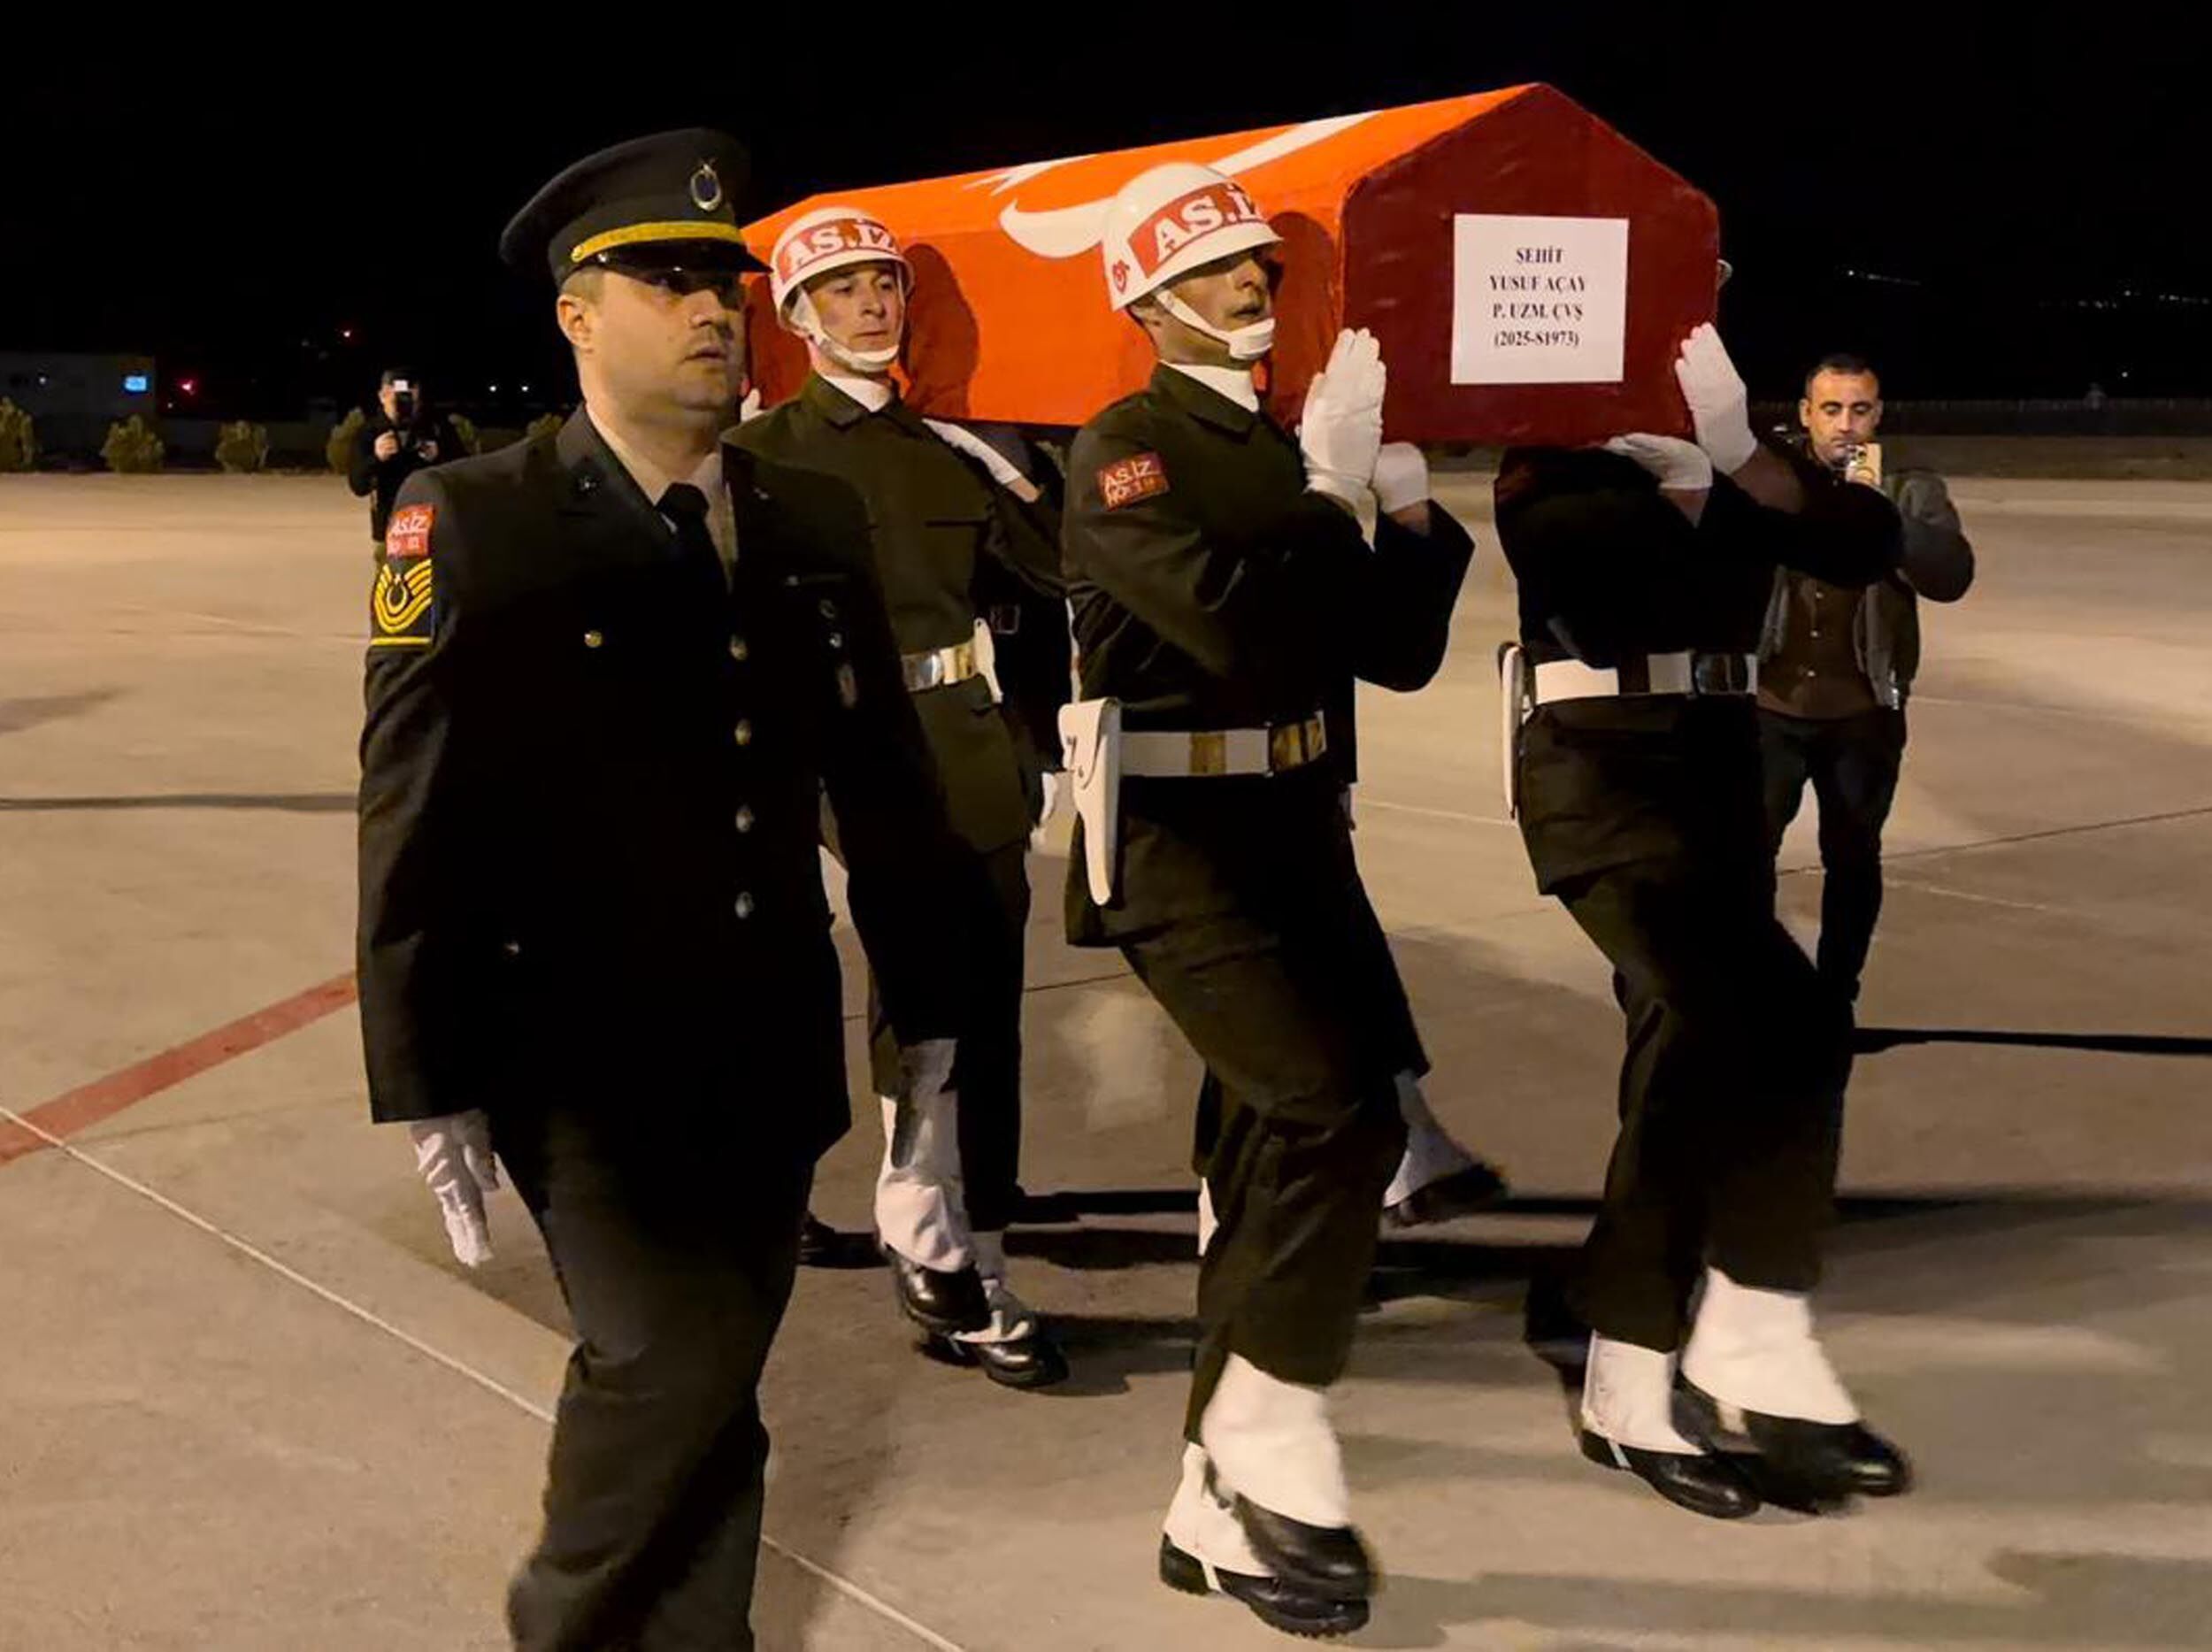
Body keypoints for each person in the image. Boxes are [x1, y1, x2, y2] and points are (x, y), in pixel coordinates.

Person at [356, 129, 977, 1650]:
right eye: (666, 282)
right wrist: (425, 1070)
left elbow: (883, 782)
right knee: (664, 1359)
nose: (713, 309)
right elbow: (412, 803)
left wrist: (933, 1007)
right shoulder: (476, 514)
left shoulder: (808, 517)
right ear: (578, 315)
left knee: (719, 1378)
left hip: (766, 1036)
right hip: (574, 1053)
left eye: (723, 282)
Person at [1060, 161, 1473, 1638]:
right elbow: (1230, 626)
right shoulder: (1130, 448)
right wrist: (1329, 493)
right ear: (1146, 300)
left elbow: (1395, 654)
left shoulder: (1293, 438)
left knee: (1267, 1159)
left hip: (1297, 826)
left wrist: (1408, 517)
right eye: (1214, 269)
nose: (1251, 283)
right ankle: (1270, 1430)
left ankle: (1209, 1490)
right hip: (1180, 838)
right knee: (1332, 1119)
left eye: (1258, 265)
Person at [1494, 324, 1914, 1520]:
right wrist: (1714, 491)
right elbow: (1609, 595)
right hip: (1601, 773)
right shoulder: (1552, 448)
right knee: (1706, 1022)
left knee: (1786, 1033)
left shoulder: (1741, 444)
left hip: (1717, 778)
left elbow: (1865, 543)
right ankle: (1630, 1373)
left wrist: (1736, 452)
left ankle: (1749, 1330)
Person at [735, 205, 1071, 1390]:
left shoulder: (951, 447)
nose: (873, 303)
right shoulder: (763, 452)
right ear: (798, 317)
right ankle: (919, 1214)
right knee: (917, 968)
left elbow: (1057, 576)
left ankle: (973, 1230)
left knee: (986, 994)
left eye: (885, 283)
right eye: (843, 289)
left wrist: (1016, 464)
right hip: (837, 743)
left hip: (966, 736)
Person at [1760, 352, 1975, 1006]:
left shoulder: (1910, 488)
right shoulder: (1773, 479)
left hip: (1864, 710)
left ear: (1878, 415)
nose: (1845, 424)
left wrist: (1879, 512)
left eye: (1859, 409)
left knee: (1853, 857)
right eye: (1831, 409)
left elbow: (1951, 576)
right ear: (1806, 414)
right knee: (1744, 858)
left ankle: (1834, 997)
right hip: (1767, 705)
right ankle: (1760, 993)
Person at [347, 367, 465, 548]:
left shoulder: (436, 427)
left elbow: (463, 470)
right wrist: (376, 458)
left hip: (433, 528)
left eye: (409, 398)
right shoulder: (370, 432)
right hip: (390, 528)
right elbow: (358, 486)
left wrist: (439, 455)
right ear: (382, 396)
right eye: (398, 398)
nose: (404, 404)